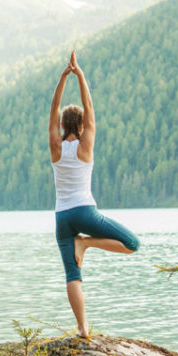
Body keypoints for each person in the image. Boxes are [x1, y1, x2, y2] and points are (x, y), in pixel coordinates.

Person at [48, 50, 140, 338]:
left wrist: (63, 77)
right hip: (85, 212)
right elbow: (89, 107)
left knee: (72, 276)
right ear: (84, 125)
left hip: (62, 217)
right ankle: (86, 244)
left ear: (63, 127)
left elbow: (54, 109)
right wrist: (81, 75)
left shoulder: (56, 148)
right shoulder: (86, 145)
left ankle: (83, 328)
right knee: (132, 243)